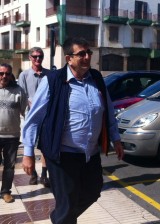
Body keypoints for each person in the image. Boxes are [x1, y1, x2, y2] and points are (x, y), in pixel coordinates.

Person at [22, 37, 124, 224]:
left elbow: (108, 110)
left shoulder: (97, 79)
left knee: (93, 192)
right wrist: (28, 152)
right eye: (81, 54)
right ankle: (64, 218)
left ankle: (61, 218)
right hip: (63, 156)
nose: (87, 57)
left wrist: (115, 139)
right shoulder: (53, 80)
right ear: (69, 58)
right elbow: (34, 118)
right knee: (67, 202)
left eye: (89, 53)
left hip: (90, 154)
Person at [18, 47, 50, 187]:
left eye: (40, 56)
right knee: (29, 144)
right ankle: (33, 174)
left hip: (46, 116)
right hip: (30, 115)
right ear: (30, 57)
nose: (38, 59)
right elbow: (22, 95)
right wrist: (29, 105)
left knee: (45, 146)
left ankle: (44, 175)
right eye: (35, 56)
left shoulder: (49, 74)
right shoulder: (24, 75)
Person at [0, 63, 27, 203]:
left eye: (7, 73)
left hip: (12, 136)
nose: (4, 76)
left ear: (11, 75)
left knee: (9, 166)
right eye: (1, 73)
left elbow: (26, 112)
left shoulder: (19, 91)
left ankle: (5, 192)